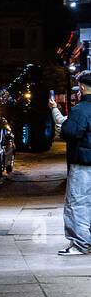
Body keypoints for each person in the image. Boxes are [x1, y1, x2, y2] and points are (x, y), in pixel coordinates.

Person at [50, 72, 91, 256]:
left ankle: (81, 244)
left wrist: (54, 110)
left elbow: (69, 132)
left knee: (78, 204)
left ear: (82, 88)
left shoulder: (80, 110)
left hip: (83, 165)